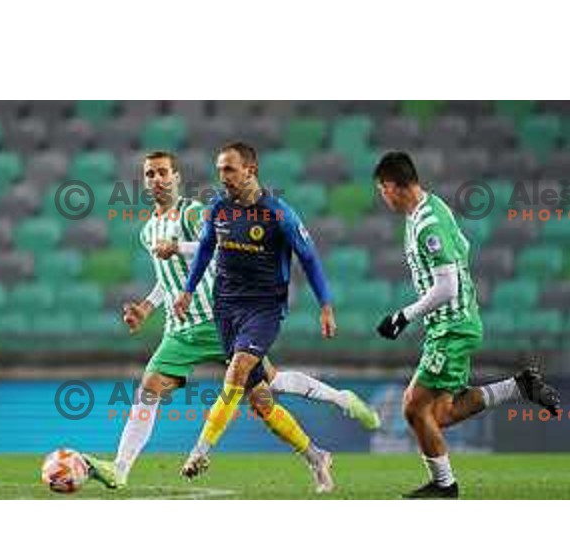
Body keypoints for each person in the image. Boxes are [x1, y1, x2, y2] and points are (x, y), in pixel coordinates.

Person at [85, 150, 379, 492]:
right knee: (147, 390)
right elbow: (167, 280)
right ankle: (119, 469)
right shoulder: (149, 229)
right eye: (150, 174)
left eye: (164, 172)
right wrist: (147, 308)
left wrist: (178, 246)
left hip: (217, 317)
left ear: (177, 177)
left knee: (265, 396)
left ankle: (333, 416)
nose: (157, 180)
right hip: (179, 330)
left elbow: (219, 246)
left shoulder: (194, 213)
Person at [374, 151, 561, 499]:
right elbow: (465, 247)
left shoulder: (428, 222)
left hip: (452, 327)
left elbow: (448, 287)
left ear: (392, 186)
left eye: (382, 190)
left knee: (413, 407)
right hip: (450, 323)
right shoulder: (431, 209)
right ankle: (519, 387)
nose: (382, 197)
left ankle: (445, 486)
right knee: (439, 414)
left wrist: (402, 317)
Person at [174, 142, 342, 492]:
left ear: (251, 170)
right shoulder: (218, 208)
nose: (223, 177)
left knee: (236, 371)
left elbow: (309, 259)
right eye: (220, 170)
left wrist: (325, 305)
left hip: (264, 309)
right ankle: (316, 455)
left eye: (230, 170)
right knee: (262, 403)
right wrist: (188, 290)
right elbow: (206, 249)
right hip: (226, 309)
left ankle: (200, 451)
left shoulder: (278, 214)